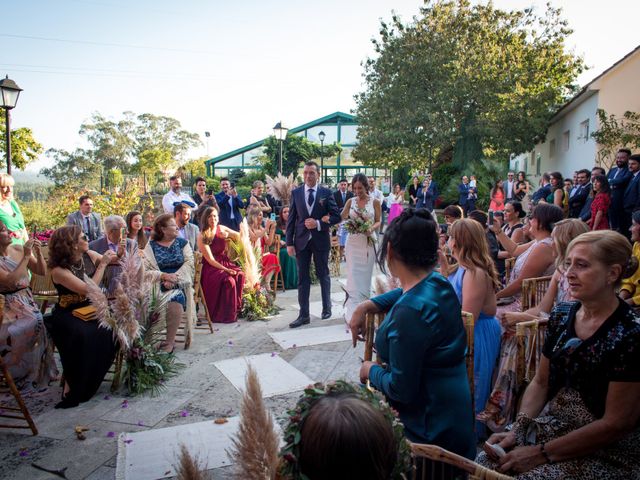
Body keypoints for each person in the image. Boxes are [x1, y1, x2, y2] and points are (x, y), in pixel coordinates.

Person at [479, 230, 640, 479]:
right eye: (568, 263)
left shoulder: (630, 334)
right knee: (485, 462)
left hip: (606, 447)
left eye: (582, 265)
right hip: (557, 427)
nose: (569, 273)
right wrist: (518, 430)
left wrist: (540, 453)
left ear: (613, 273)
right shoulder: (563, 314)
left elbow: (616, 423)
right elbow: (541, 381)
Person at [351, 209, 476, 459]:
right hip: (456, 420)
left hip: (428, 437)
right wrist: (368, 305)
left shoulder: (409, 313)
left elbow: (401, 390)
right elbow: (405, 292)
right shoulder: (438, 283)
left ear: (390, 253)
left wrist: (369, 369)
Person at [45, 226, 118, 408]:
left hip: (89, 309)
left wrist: (121, 253)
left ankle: (91, 378)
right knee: (83, 335)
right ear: (72, 244)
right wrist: (103, 265)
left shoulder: (90, 254)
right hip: (68, 312)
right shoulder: (58, 270)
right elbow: (88, 289)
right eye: (83, 237)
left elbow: (114, 260)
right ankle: (75, 383)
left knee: (110, 331)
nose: (87, 238)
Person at [443, 219, 502, 438]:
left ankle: (471, 436)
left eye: (450, 237)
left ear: (459, 242)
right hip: (469, 329)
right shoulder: (461, 268)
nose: (447, 241)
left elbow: (468, 317)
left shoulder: (475, 273)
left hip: (477, 333)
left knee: (473, 385)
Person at [0, 221, 57, 391]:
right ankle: (15, 372)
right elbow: (11, 281)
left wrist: (38, 254)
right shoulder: (21, 253)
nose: (9, 231)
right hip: (7, 306)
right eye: (3, 230)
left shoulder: (17, 249)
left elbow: (41, 271)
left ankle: (37, 371)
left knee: (40, 324)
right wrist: (26, 256)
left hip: (26, 299)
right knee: (22, 330)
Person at [501, 219, 589, 327]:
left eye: (553, 239)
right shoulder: (560, 271)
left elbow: (570, 323)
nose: (550, 243)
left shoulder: (582, 278)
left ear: (564, 243)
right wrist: (516, 316)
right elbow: (542, 308)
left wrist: (523, 317)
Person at [287, 162, 341, 328]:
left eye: (311, 173)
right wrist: (289, 242)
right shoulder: (296, 193)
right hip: (301, 241)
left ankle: (327, 307)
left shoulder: (326, 192)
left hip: (320, 240)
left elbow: (336, 216)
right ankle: (304, 315)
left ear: (318, 174)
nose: (308, 176)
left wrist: (318, 223)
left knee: (323, 274)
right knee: (302, 279)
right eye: (305, 173)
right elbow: (291, 219)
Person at [492, 204, 563, 312]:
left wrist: (494, 296)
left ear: (541, 222)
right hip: (518, 299)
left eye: (532, 217)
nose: (529, 220)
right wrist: (498, 230)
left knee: (483, 316)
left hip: (528, 305)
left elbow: (521, 283)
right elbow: (514, 250)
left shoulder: (544, 247)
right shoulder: (539, 241)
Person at [143, 214, 195, 352]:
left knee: (175, 299)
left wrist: (174, 279)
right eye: (173, 225)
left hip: (179, 283)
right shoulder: (151, 246)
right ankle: (147, 339)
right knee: (143, 299)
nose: (177, 227)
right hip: (156, 282)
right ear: (163, 229)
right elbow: (146, 269)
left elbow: (189, 265)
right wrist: (163, 276)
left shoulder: (183, 243)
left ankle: (169, 342)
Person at [342, 173, 381, 326]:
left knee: (365, 276)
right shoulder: (351, 201)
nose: (357, 191)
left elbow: (379, 221)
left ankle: (365, 308)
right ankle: (353, 311)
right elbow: (343, 216)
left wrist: (370, 228)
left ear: (366, 187)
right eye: (355, 188)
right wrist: (348, 219)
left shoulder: (375, 202)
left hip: (369, 242)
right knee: (352, 275)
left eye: (360, 188)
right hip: (353, 243)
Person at [197, 207, 244, 323]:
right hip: (211, 267)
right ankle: (223, 314)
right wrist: (226, 270)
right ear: (205, 219)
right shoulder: (202, 235)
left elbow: (239, 235)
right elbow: (210, 260)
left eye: (215, 216)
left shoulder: (221, 228)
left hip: (225, 261)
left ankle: (236, 309)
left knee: (240, 275)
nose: (213, 218)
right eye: (210, 216)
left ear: (218, 218)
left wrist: (228, 235)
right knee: (229, 281)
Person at [88, 215, 136, 296]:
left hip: (127, 293)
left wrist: (124, 254)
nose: (127, 232)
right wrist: (103, 294)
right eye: (124, 230)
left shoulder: (131, 244)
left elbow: (136, 269)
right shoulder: (93, 246)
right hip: (103, 295)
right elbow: (92, 273)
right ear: (111, 231)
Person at [246, 205, 280, 289]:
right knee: (267, 257)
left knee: (272, 257)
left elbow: (268, 242)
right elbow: (254, 237)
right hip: (251, 256)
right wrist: (266, 228)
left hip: (261, 255)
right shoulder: (247, 227)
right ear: (253, 216)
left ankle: (266, 282)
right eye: (260, 215)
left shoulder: (261, 228)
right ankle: (262, 285)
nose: (262, 217)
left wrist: (272, 229)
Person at [607, 148, 632, 232]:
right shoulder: (612, 170)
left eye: (622, 158)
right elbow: (604, 182)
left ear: (628, 158)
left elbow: (622, 181)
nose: (619, 160)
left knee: (622, 228)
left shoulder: (629, 170)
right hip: (609, 203)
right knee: (612, 226)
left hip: (621, 204)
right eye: (617, 158)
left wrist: (610, 181)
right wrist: (612, 183)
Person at [0, 173, 28, 244]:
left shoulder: (13, 204)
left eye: (11, 186)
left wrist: (29, 252)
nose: (9, 190)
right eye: (5, 186)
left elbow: (23, 228)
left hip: (20, 250)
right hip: (5, 252)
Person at [275, 206, 298, 290]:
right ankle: (286, 282)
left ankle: (294, 282)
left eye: (288, 211)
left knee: (293, 254)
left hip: (293, 245)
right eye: (284, 212)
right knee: (286, 254)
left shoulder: (295, 222)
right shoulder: (277, 224)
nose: (287, 214)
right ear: (281, 214)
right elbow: (272, 236)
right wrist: (279, 241)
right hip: (280, 247)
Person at [622, 153, 640, 238]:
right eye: (629, 164)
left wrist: (635, 211)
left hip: (634, 212)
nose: (630, 166)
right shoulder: (632, 176)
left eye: (633, 164)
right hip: (627, 212)